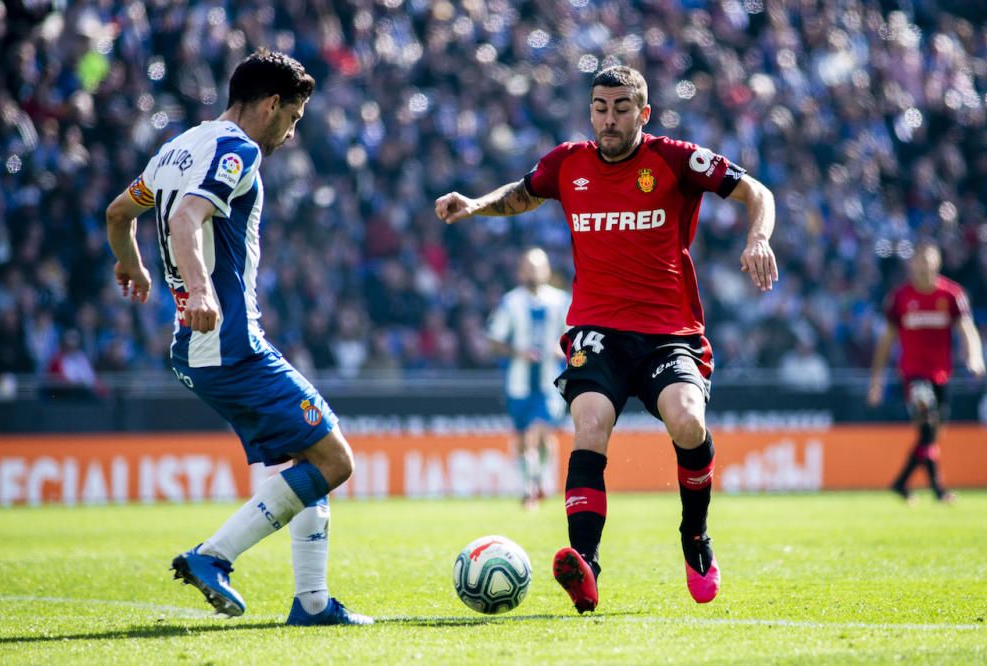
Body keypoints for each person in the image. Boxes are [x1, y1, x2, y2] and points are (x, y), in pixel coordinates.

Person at [436, 65, 778, 613]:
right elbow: (522, 195)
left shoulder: (674, 159)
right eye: (600, 107)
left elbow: (755, 191)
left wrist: (758, 238)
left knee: (688, 420)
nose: (609, 118)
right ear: (590, 110)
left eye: (622, 108)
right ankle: (585, 566)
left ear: (643, 113)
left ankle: (695, 537)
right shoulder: (566, 163)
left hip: (669, 332)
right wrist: (476, 204)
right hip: (596, 328)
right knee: (590, 423)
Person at [104, 49, 372, 626]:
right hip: (226, 341)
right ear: (272, 104)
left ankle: (313, 604)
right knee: (335, 459)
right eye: (294, 118)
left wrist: (130, 264)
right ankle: (213, 556)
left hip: (199, 346)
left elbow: (117, 213)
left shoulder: (176, 149)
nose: (292, 133)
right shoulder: (239, 150)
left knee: (312, 455)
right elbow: (184, 220)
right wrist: (199, 289)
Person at [867, 242, 985, 503]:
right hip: (913, 374)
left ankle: (901, 483)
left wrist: (975, 356)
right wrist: (876, 380)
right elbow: (886, 341)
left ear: (937, 262)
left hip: (942, 374)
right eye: (918, 259)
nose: (922, 265)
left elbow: (966, 328)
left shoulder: (952, 295)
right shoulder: (900, 298)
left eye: (928, 259)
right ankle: (938, 490)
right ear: (911, 263)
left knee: (931, 434)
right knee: (927, 422)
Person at [486, 248, 571, 508]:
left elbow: (574, 337)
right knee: (526, 439)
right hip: (518, 383)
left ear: (546, 270)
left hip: (550, 383)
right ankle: (533, 485)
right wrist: (517, 352)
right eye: (528, 267)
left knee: (537, 433)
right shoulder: (510, 302)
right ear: (521, 271)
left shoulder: (561, 301)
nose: (533, 272)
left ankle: (530, 489)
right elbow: (494, 341)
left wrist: (561, 348)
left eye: (537, 267)